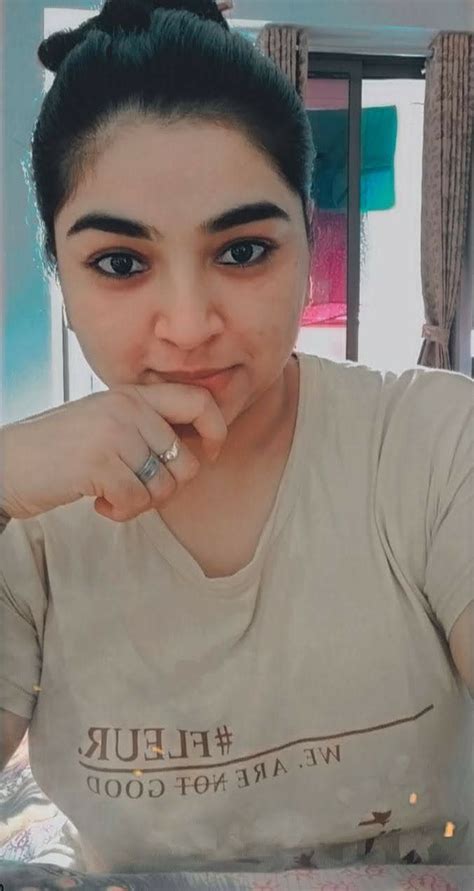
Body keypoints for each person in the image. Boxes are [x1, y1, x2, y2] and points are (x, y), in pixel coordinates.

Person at [0, 0, 473, 877]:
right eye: (120, 263)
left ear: (308, 241)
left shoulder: (432, 446)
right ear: (59, 273)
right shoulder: (28, 523)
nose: (188, 325)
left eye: (244, 251)